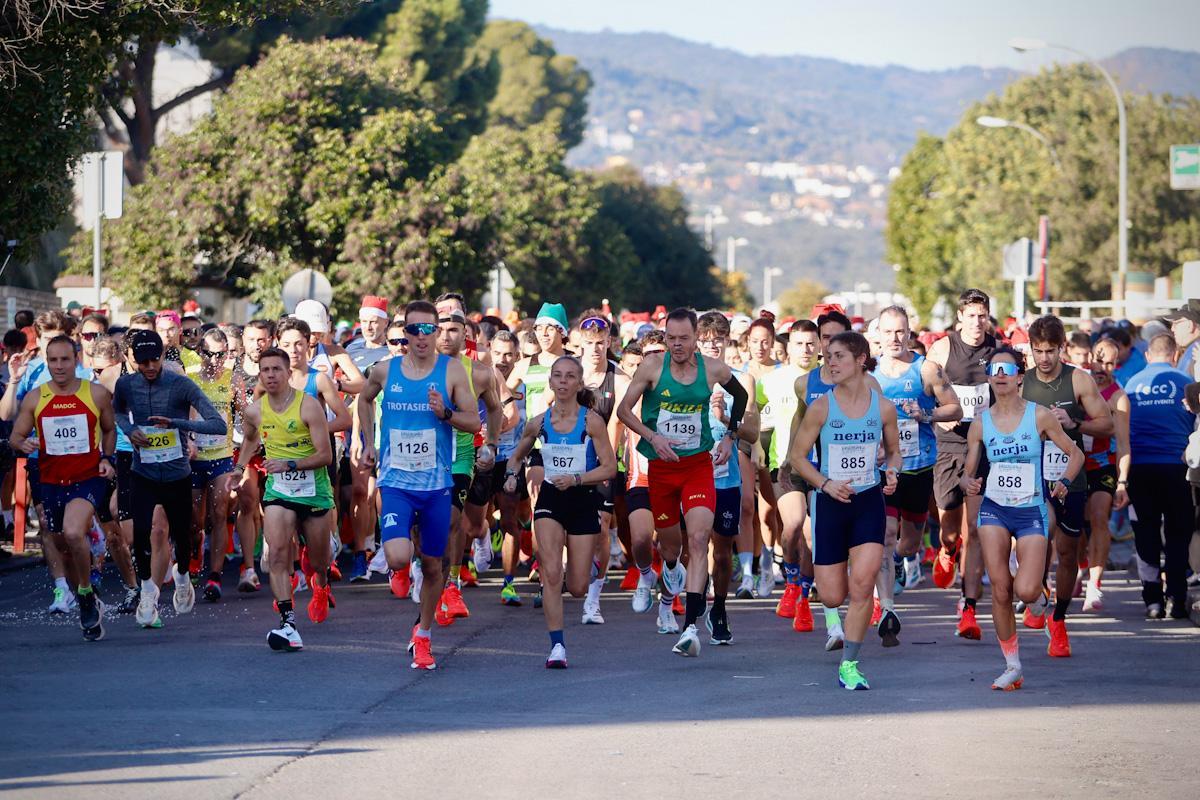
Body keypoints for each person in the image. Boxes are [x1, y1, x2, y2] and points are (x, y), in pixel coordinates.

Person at [353, 300, 481, 670]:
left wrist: (446, 413)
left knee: (433, 564)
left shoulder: (452, 371)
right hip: (395, 482)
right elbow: (363, 399)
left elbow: (473, 423)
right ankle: (396, 567)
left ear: (437, 332)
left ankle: (422, 636)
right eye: (414, 330)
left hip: (436, 484)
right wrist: (368, 440)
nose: (422, 337)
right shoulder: (385, 370)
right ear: (404, 333)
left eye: (429, 329)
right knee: (397, 556)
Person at [616, 307, 748, 657]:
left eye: (683, 339)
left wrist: (729, 437)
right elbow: (624, 411)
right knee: (670, 547)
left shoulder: (713, 370)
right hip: (661, 469)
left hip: (697, 467)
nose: (677, 345)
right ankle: (670, 570)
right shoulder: (652, 368)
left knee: (700, 538)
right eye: (671, 338)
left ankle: (690, 627)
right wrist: (652, 437)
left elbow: (743, 398)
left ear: (695, 338)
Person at [960, 347, 1083, 690]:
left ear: (1019, 377)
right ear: (989, 377)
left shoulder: (1039, 416)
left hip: (1031, 509)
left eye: (1007, 369)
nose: (1000, 375)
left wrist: (1063, 483)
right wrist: (967, 481)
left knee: (1026, 589)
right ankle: (1012, 665)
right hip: (994, 508)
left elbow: (1076, 454)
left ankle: (1039, 599)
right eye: (994, 369)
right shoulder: (981, 422)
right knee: (1001, 589)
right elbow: (968, 473)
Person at [789, 331, 900, 690]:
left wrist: (893, 471)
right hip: (830, 503)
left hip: (868, 499)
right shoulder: (822, 406)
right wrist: (824, 483)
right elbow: (797, 457)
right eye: (828, 357)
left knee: (864, 584)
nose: (830, 363)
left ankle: (849, 663)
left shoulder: (882, 406)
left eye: (838, 356)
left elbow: (894, 452)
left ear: (861, 359)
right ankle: (831, 613)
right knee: (834, 595)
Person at [502, 356, 616, 667]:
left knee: (577, 587)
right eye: (558, 376)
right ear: (550, 383)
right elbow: (516, 457)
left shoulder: (591, 422)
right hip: (551, 498)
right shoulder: (538, 423)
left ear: (579, 384)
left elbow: (610, 467)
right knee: (552, 573)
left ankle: (587, 565)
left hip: (582, 499)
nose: (563, 381)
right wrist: (512, 476)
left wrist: (578, 478)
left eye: (570, 377)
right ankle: (557, 647)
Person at [112, 330, 226, 629]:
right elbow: (117, 413)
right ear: (133, 360)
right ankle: (148, 589)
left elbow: (219, 425)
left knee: (183, 535)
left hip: (177, 474)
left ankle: (183, 576)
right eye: (143, 361)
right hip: (143, 472)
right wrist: (129, 430)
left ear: (163, 356)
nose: (149, 366)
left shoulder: (181, 385)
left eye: (154, 359)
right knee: (140, 534)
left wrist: (176, 424)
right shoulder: (126, 384)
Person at [9, 336, 118, 641]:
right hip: (51, 480)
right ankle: (85, 593)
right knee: (61, 544)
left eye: (65, 360)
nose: (59, 366)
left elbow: (109, 430)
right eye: (53, 360)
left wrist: (107, 459)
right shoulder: (35, 397)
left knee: (73, 532)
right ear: (47, 362)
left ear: (76, 359)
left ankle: (84, 594)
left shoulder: (95, 394)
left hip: (88, 476)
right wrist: (24, 442)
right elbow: (16, 436)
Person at [1020, 316, 1113, 655]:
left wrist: (1075, 423)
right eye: (1038, 351)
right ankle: (1035, 594)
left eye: (1050, 351)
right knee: (1039, 534)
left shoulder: (1079, 380)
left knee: (1066, 551)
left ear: (1062, 349)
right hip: (1032, 476)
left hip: (1070, 476)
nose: (1044, 359)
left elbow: (1107, 425)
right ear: (1030, 350)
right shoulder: (1022, 382)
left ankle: (1058, 619)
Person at [872, 306, 961, 645]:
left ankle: (897, 563)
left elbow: (956, 409)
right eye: (888, 332)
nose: (894, 338)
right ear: (877, 335)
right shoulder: (869, 373)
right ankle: (888, 609)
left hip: (919, 466)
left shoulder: (926, 369)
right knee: (886, 534)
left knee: (908, 543)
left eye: (900, 332)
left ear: (909, 333)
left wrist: (926, 413)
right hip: (884, 468)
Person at [235, 347, 335, 651]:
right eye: (265, 370)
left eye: (276, 369)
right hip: (279, 491)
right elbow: (251, 437)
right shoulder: (254, 410)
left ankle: (321, 581)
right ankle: (288, 623)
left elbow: (326, 455)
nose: (270, 375)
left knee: (319, 561)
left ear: (288, 373)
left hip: (314, 491)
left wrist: (290, 464)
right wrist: (238, 468)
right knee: (276, 555)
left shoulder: (309, 406)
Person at [926, 288, 996, 640]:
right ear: (960, 318)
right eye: (971, 315)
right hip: (949, 446)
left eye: (982, 315)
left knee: (977, 530)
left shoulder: (996, 350)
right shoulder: (943, 349)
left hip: (983, 446)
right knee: (950, 525)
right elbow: (926, 387)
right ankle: (947, 547)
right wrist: (942, 412)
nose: (977, 322)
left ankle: (968, 608)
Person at [1120, 333, 1196, 619]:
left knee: (1145, 533)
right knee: (1178, 534)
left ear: (1149, 356)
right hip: (1178, 469)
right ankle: (1177, 597)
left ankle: (1152, 599)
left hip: (1141, 468)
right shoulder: (1185, 383)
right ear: (1175, 355)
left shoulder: (1132, 384)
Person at [695, 312, 759, 644]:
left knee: (721, 552)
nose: (711, 345)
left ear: (727, 340)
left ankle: (718, 608)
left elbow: (752, 430)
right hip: (692, 476)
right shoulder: (686, 378)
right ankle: (690, 614)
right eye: (705, 339)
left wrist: (727, 425)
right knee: (692, 547)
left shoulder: (741, 380)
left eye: (718, 338)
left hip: (726, 478)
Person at [344, 295, 394, 582]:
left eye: (374, 321)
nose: (369, 326)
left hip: (389, 431)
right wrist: (356, 437)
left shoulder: (395, 351)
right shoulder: (351, 351)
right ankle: (362, 552)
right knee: (361, 493)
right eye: (364, 321)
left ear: (385, 323)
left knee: (382, 495)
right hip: (361, 429)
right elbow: (357, 399)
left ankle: (386, 547)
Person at [1082, 338, 1132, 612]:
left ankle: (1095, 584)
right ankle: (1080, 566)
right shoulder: (1077, 383)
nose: (1104, 368)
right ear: (1090, 357)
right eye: (1100, 360)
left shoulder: (1118, 396)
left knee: (1101, 517)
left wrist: (1123, 481)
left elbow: (1123, 443)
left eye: (1111, 363)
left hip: (1103, 464)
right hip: (1074, 464)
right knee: (1075, 528)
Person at [189, 328, 238, 603]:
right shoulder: (191, 380)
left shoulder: (233, 380)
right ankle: (195, 556)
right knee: (195, 520)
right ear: (200, 352)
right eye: (208, 353)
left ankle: (215, 576)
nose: (214, 360)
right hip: (196, 458)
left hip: (221, 456)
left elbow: (244, 415)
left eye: (220, 354)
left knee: (220, 513)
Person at [230, 320, 274, 593]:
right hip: (241, 445)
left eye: (262, 339)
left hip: (274, 446)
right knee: (248, 501)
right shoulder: (231, 372)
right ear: (242, 340)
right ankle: (248, 568)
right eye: (251, 339)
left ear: (270, 340)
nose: (256, 344)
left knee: (276, 505)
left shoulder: (276, 369)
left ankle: (285, 562)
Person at [1164, 299, 1200, 380]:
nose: (1172, 329)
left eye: (1176, 324)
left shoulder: (1196, 350)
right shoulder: (1192, 348)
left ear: (1190, 326)